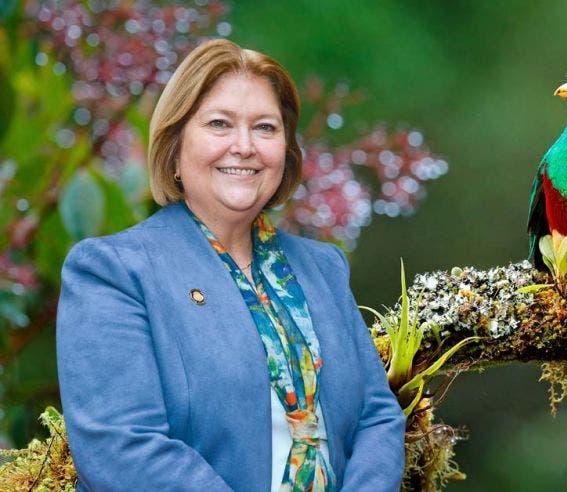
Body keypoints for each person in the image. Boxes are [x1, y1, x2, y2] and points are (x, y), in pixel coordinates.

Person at [56, 39, 405, 492]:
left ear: (286, 149)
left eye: (265, 127)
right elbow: (121, 448)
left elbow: (378, 417)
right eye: (219, 124)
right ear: (176, 144)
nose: (244, 147)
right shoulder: (113, 271)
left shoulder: (324, 268)